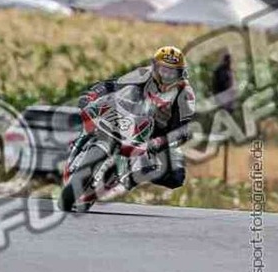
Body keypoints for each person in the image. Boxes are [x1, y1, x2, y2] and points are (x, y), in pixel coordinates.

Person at [74, 46, 196, 202]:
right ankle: (81, 142)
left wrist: (158, 142)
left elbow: (182, 130)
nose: (166, 76)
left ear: (181, 73)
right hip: (129, 116)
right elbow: (112, 84)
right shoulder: (143, 73)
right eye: (163, 70)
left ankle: (130, 178)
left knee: (176, 178)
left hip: (159, 134)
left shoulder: (185, 94)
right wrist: (92, 94)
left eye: (172, 72)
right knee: (94, 111)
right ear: (155, 67)